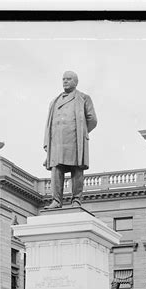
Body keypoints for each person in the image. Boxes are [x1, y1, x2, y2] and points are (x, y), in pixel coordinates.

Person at [43, 71, 97, 209]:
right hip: (57, 141)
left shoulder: (84, 98)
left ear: (75, 82)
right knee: (56, 169)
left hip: (74, 139)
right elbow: (48, 124)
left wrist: (80, 132)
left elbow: (92, 120)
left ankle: (76, 200)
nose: (65, 81)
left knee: (77, 169)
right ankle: (56, 200)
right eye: (63, 79)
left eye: (68, 79)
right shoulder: (54, 101)